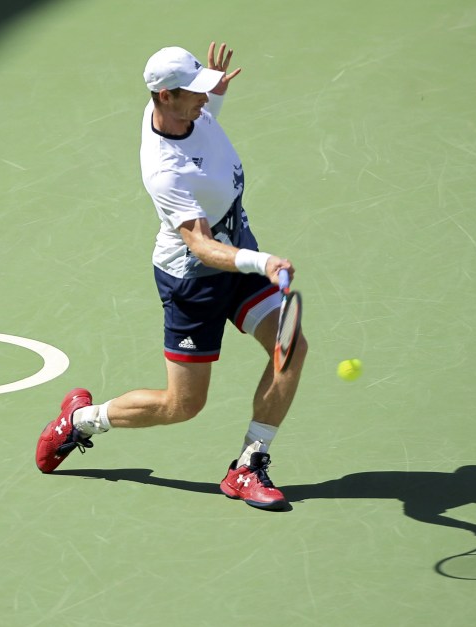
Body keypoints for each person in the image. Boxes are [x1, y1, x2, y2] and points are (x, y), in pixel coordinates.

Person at [35, 42, 308, 511]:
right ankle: (82, 420)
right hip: (194, 280)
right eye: (195, 93)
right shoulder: (166, 171)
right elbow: (201, 246)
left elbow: (204, 126)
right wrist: (261, 263)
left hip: (237, 257)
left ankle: (248, 463)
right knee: (182, 406)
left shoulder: (181, 112)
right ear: (165, 97)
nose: (205, 101)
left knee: (290, 346)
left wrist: (211, 93)